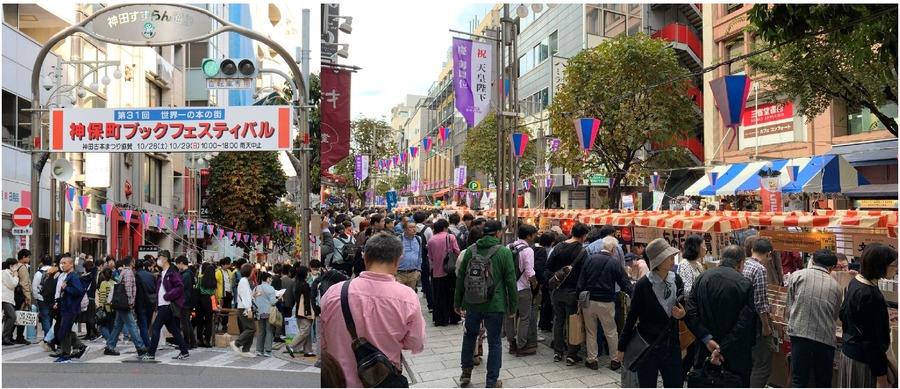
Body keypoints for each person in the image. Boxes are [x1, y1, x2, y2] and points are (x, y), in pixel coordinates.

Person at [321, 232, 426, 387]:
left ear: (364, 258)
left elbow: (322, 341)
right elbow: (415, 341)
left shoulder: (333, 293)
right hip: (382, 381)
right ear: (398, 260)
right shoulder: (406, 297)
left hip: (339, 382)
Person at [454, 221, 518, 388]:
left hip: (472, 303)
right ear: (497, 233)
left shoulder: (470, 250)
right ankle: (491, 381)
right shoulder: (504, 252)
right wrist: (513, 306)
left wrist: (457, 302)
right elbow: (511, 281)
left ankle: (465, 373)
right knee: (495, 342)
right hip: (495, 304)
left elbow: (461, 278)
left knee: (469, 336)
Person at [685, 245, 756, 387]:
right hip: (735, 355)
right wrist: (721, 348)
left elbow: (691, 314)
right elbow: (744, 323)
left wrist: (708, 340)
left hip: (704, 351)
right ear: (741, 263)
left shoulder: (701, 279)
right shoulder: (744, 284)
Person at [617, 238, 685, 387]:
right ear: (658, 262)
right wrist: (621, 347)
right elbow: (632, 316)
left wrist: (682, 314)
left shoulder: (677, 280)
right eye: (669, 256)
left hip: (671, 344)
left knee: (675, 384)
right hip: (648, 345)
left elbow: (683, 308)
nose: (672, 258)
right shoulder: (643, 285)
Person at [838, 243, 897, 388]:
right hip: (863, 361)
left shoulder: (857, 282)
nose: (896, 269)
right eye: (894, 265)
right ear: (880, 265)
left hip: (849, 352)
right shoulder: (870, 295)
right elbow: (872, 341)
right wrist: (881, 377)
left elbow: (842, 313)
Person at [786, 249, 842, 388]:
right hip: (825, 338)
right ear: (832, 267)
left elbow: (790, 306)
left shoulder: (797, 275)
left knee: (799, 378)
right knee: (823, 381)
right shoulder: (836, 286)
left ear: (813, 261)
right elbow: (834, 315)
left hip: (799, 333)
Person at [579, 236, 633, 371]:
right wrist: (635, 295)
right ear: (613, 249)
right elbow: (624, 283)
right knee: (611, 331)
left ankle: (592, 360)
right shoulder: (614, 262)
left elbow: (582, 280)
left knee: (591, 331)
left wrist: (578, 297)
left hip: (589, 301)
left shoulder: (590, 259)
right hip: (606, 302)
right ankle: (615, 360)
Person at [545, 222, 590, 365]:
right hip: (573, 292)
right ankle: (572, 354)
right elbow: (585, 274)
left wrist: (557, 277)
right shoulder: (583, 252)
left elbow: (549, 265)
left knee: (558, 321)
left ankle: (558, 352)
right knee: (573, 322)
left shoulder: (559, 246)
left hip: (558, 290)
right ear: (584, 236)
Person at [140, 250, 190, 361]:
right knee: (174, 330)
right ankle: (184, 351)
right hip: (163, 305)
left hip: (168, 305)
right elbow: (159, 291)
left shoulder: (172, 272)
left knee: (156, 328)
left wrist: (168, 296)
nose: (158, 260)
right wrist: (157, 306)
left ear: (165, 259)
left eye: (159, 258)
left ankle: (151, 353)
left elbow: (179, 287)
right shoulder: (162, 273)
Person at [742, 237, 775, 388]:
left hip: (743, 321)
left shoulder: (743, 264)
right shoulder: (760, 269)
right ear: (768, 254)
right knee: (762, 364)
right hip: (756, 322)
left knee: (749, 360)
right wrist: (766, 326)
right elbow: (760, 302)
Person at [504, 223, 538, 357]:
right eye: (533, 235)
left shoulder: (508, 247)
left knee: (509, 315)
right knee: (524, 317)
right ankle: (522, 346)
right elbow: (530, 272)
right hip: (523, 288)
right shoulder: (528, 251)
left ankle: (511, 343)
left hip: (508, 287)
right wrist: (534, 283)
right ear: (529, 236)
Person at [104, 256, 147, 356]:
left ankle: (110, 346)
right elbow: (128, 287)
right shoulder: (129, 272)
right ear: (132, 262)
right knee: (131, 325)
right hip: (125, 303)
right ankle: (140, 347)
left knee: (118, 325)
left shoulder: (123, 272)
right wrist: (130, 301)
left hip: (121, 302)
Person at [678, 234, 705, 378]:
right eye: (703, 245)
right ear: (696, 247)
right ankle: (680, 376)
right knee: (692, 347)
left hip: (697, 311)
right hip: (689, 312)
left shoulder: (698, 265)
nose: (706, 248)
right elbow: (687, 290)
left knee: (695, 347)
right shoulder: (685, 265)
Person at [53, 255, 88, 363]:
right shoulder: (67, 276)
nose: (62, 265)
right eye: (61, 263)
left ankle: (66, 355)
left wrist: (66, 288)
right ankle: (80, 347)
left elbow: (79, 291)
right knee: (66, 330)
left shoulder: (74, 277)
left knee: (64, 331)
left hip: (70, 308)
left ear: (71, 264)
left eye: (64, 263)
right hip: (66, 307)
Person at [427, 219, 462, 327]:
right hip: (449, 271)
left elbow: (431, 257)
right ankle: (453, 317)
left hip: (437, 272)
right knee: (451, 294)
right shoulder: (450, 237)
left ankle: (441, 319)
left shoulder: (431, 240)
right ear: (445, 228)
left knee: (439, 296)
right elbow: (457, 251)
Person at [286, 266, 316, 358]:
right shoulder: (305, 285)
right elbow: (307, 300)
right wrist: (308, 313)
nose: (308, 274)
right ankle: (292, 346)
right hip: (304, 312)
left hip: (298, 310)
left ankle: (307, 350)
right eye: (307, 272)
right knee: (305, 331)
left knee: (305, 331)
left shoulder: (297, 284)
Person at [230, 263, 257, 357]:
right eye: (252, 271)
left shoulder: (244, 281)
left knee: (249, 328)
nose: (253, 272)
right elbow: (245, 297)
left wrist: (254, 295)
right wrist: (249, 309)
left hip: (244, 307)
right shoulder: (244, 281)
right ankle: (237, 343)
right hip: (244, 308)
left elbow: (246, 295)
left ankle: (246, 350)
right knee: (251, 328)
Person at [134, 259, 157, 350]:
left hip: (141, 303)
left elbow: (136, 291)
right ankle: (146, 342)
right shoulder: (151, 275)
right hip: (151, 302)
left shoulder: (136, 276)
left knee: (142, 325)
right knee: (147, 324)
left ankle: (148, 345)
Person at [253, 272, 277, 357]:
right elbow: (273, 302)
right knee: (269, 330)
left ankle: (259, 349)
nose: (271, 280)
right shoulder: (271, 288)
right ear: (267, 279)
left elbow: (254, 299)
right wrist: (279, 298)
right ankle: (268, 350)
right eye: (270, 278)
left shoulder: (256, 288)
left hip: (259, 312)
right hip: (268, 312)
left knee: (261, 331)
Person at [534, 232, 554, 333]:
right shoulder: (549, 251)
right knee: (547, 302)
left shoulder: (535, 249)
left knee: (543, 302)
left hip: (538, 280)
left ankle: (541, 323)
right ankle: (545, 325)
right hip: (545, 280)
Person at [175, 256, 197, 349]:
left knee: (185, 323)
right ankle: (192, 342)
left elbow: (181, 288)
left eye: (177, 264)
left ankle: (187, 343)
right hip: (187, 300)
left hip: (185, 301)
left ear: (181, 263)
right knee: (187, 322)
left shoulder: (186, 275)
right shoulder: (188, 273)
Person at [396, 221, 425, 290]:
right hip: (399, 273)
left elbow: (419, 255)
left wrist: (418, 269)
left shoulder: (418, 239)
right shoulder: (398, 239)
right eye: (411, 227)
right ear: (404, 229)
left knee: (410, 296)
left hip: (413, 273)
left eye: (415, 227)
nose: (414, 229)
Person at [32, 254, 54, 342]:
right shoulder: (55, 271)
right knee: (52, 318)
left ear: (42, 262)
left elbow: (34, 287)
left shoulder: (38, 273)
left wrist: (38, 297)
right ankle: (52, 337)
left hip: (42, 299)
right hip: (53, 299)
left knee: (45, 318)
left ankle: (47, 338)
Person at [216, 257, 236, 333]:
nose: (228, 266)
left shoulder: (229, 272)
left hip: (229, 293)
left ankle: (225, 324)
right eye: (227, 264)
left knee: (228, 309)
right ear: (222, 265)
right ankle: (222, 323)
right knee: (222, 309)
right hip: (222, 294)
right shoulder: (218, 273)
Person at [97, 268, 117, 343]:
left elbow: (102, 295)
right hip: (113, 307)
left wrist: (101, 306)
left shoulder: (103, 283)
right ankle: (112, 340)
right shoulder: (115, 283)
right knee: (111, 325)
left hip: (106, 307)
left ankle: (109, 340)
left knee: (104, 326)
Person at [2, 258, 19, 346]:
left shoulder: (8, 273)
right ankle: (5, 337)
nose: (16, 267)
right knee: (12, 316)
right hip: (5, 298)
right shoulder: (6, 273)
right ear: (11, 266)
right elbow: (12, 284)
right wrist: (16, 276)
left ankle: (6, 337)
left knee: (8, 317)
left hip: (7, 299)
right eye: (15, 265)